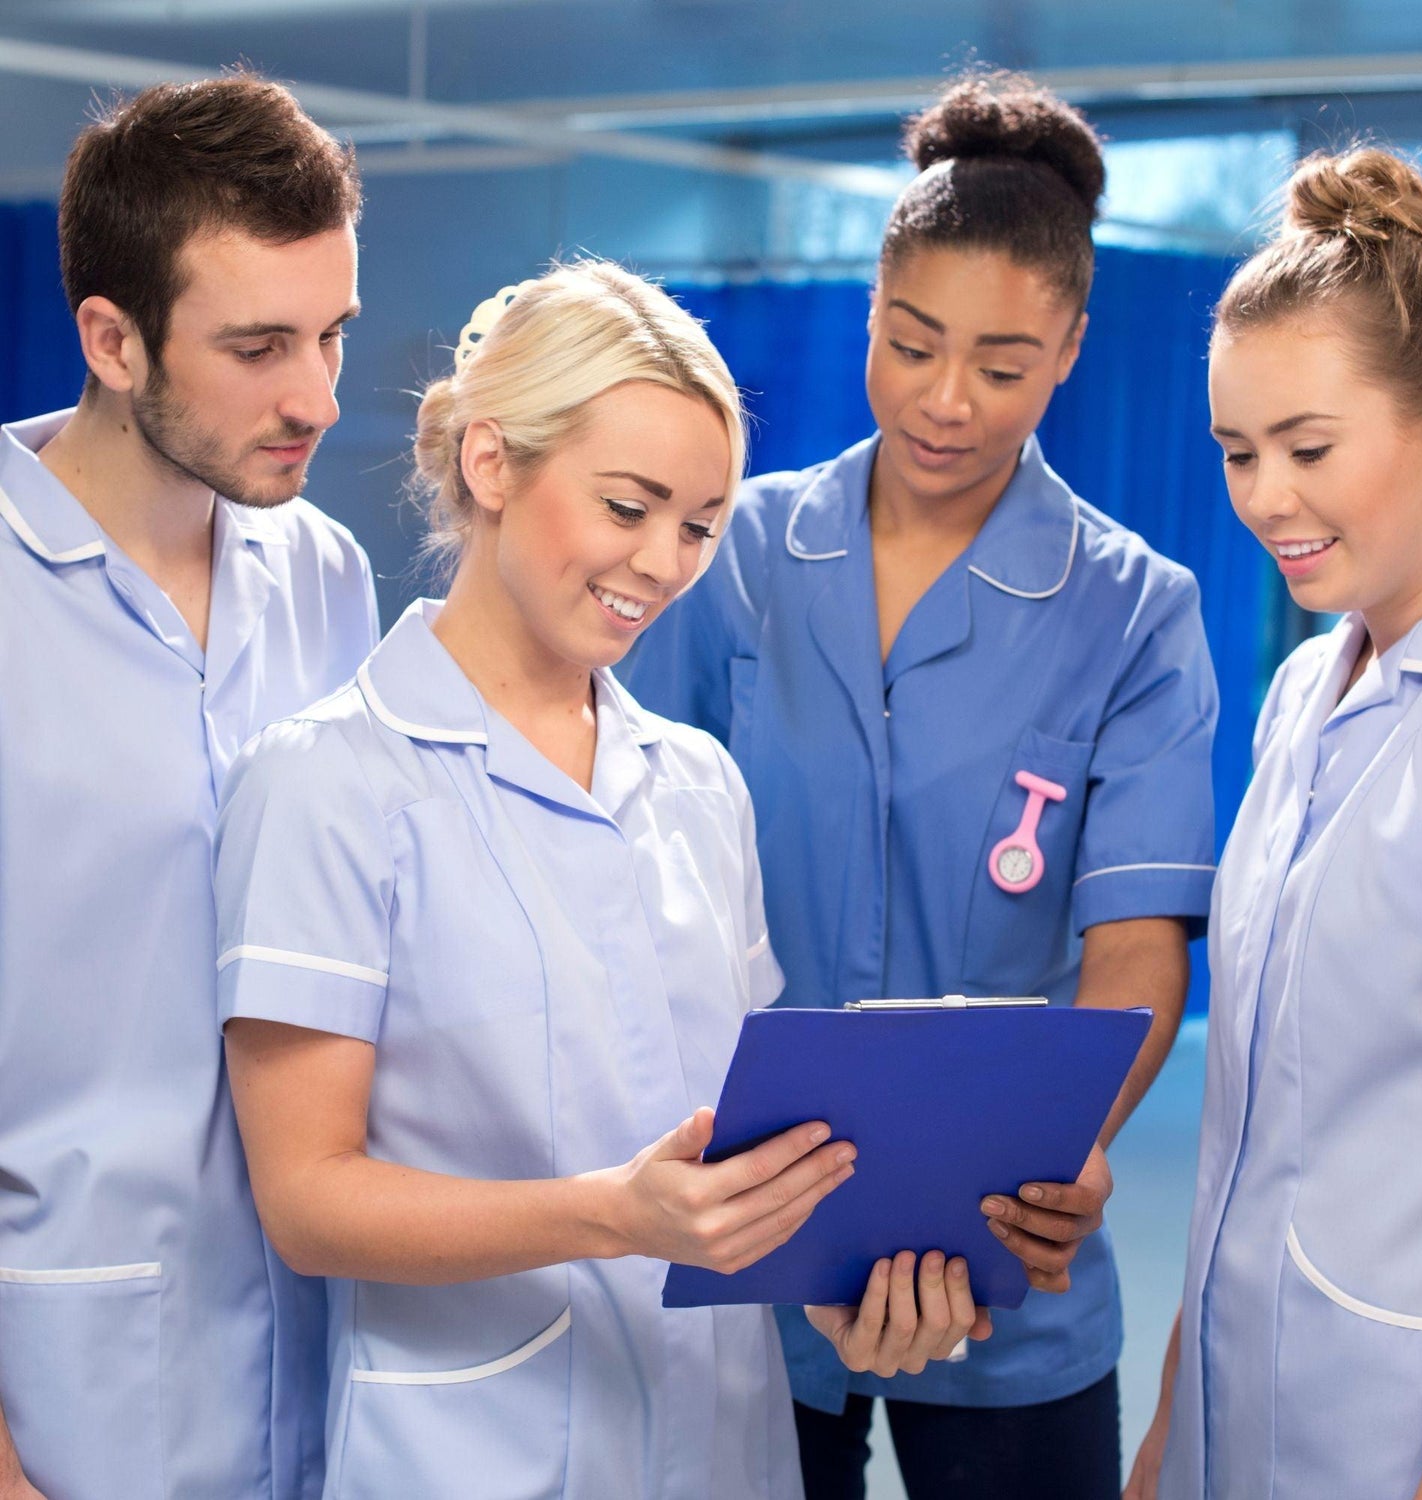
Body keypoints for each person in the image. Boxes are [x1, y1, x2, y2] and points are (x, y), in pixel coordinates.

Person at [211, 260, 989, 1500]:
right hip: (470, 1455)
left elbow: (742, 1144)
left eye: (697, 524)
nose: (663, 563)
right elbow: (307, 1199)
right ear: (491, 465)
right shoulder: (326, 784)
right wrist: (615, 1217)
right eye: (627, 506)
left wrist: (849, 1291)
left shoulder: (697, 785)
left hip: (726, 1445)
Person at [622, 72, 1218, 1500]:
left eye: (1004, 365)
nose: (947, 402)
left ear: (1072, 347)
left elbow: (1133, 954)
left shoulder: (1133, 610)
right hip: (749, 1234)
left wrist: (1030, 1178)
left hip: (1010, 1247)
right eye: (910, 345)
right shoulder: (735, 560)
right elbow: (630, 879)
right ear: (873, 315)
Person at [0, 77, 375, 1500]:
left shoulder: (324, 574)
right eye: (261, 346)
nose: (318, 398)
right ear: (113, 340)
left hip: (317, 1378)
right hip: (69, 1396)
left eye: (331, 333)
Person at [1126, 147, 1422, 1500]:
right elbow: (1242, 1143)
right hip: (1237, 1429)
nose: (1265, 497)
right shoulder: (1297, 691)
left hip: (1411, 1446)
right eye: (1236, 451)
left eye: (1308, 449)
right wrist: (1172, 1436)